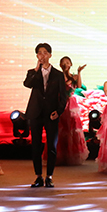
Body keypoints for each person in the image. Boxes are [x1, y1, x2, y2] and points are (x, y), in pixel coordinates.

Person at [23, 43, 68, 188]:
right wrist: (36, 70)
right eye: (39, 53)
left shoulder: (58, 75)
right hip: (35, 113)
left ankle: (49, 176)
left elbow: (63, 97)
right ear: (37, 55)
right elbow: (27, 84)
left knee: (52, 146)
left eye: (44, 52)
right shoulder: (32, 72)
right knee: (36, 145)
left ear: (50, 55)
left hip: (51, 114)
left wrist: (59, 111)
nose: (42, 55)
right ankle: (38, 177)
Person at [52, 56, 89, 165]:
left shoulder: (74, 76)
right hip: (60, 103)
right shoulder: (58, 76)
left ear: (71, 64)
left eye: (67, 62)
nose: (65, 64)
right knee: (61, 128)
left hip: (71, 104)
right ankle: (61, 155)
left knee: (72, 127)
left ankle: (72, 155)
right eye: (63, 63)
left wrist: (79, 72)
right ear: (60, 65)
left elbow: (79, 86)